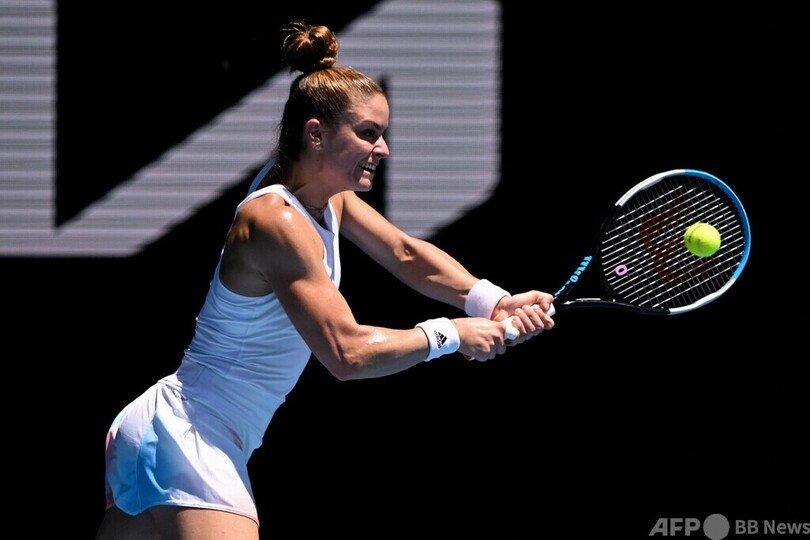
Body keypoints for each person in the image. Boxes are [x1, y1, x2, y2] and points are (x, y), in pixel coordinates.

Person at [94, 19, 555, 540]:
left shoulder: (324, 198)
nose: (383, 149)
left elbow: (405, 253)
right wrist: (451, 334)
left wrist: (490, 301)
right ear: (316, 134)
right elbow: (346, 353)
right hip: (191, 434)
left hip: (173, 429)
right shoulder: (277, 220)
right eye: (368, 133)